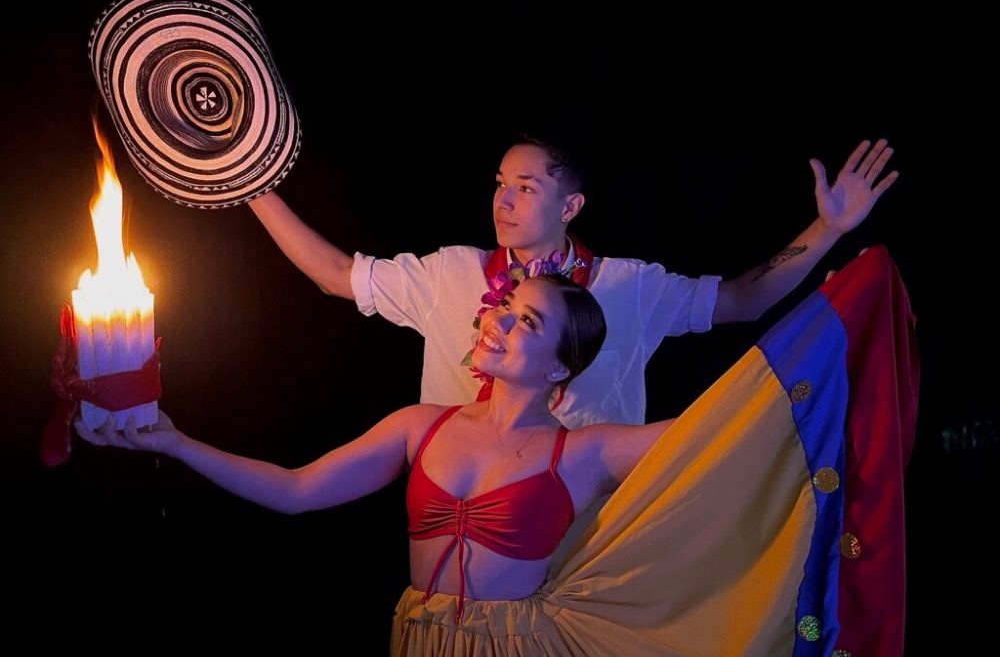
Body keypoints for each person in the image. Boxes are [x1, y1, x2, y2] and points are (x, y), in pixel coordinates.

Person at [76, 254, 919, 657]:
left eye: (526, 322)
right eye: (504, 311)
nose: (499, 325)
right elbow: (298, 492)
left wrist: (830, 310)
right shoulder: (420, 424)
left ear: (560, 367)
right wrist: (175, 444)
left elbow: (727, 427)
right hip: (421, 655)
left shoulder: (583, 453)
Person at [248, 135, 898, 428]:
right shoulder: (450, 273)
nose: (503, 201)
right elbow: (337, 275)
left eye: (525, 188)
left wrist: (829, 228)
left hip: (591, 526)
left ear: (570, 207)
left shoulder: (626, 286)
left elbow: (739, 298)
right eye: (500, 185)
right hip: (465, 519)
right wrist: (251, 184)